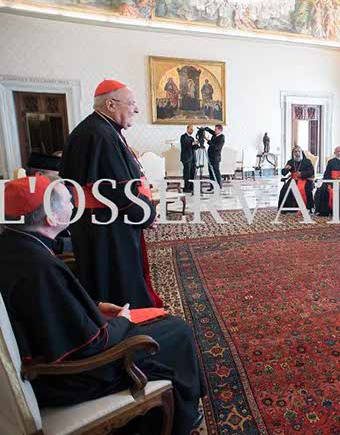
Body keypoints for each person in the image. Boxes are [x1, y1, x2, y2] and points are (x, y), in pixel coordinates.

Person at [0, 176, 203, 435]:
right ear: (50, 218)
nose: (74, 205)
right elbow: (90, 344)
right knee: (178, 331)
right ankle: (182, 420)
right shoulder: (39, 268)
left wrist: (95, 305)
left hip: (52, 355)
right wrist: (122, 321)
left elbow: (52, 306)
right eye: (68, 201)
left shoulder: (14, 245)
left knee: (167, 326)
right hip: (68, 377)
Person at [60, 79, 161, 308]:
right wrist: (146, 215)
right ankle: (124, 320)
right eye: (131, 103)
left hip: (100, 224)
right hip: (107, 227)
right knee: (117, 282)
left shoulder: (99, 129)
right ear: (111, 104)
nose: (136, 109)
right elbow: (117, 191)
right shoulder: (100, 135)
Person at [314, 146, 340, 216]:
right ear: (334, 153)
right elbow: (326, 175)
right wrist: (329, 183)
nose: (339, 153)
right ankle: (324, 211)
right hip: (330, 182)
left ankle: (338, 212)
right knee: (321, 190)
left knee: (339, 191)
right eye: (337, 152)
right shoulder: (331, 162)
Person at [278, 145, 315, 210]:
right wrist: (286, 169)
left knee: (306, 189)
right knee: (285, 189)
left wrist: (302, 174)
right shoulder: (290, 162)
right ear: (293, 153)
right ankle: (287, 208)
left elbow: (311, 172)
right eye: (295, 152)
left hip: (304, 179)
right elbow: (283, 173)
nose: (297, 153)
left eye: (299, 151)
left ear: (301, 152)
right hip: (293, 180)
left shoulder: (307, 161)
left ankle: (307, 207)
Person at [180, 124, 198, 194]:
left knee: (192, 173)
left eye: (192, 129)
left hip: (193, 158)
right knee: (187, 173)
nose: (192, 130)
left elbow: (194, 148)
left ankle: (191, 187)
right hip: (186, 158)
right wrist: (193, 144)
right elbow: (186, 145)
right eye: (191, 129)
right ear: (187, 129)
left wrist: (197, 144)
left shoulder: (192, 138)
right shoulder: (183, 137)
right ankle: (186, 188)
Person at [206, 124, 225, 188]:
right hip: (210, 157)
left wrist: (208, 141)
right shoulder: (215, 135)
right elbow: (212, 132)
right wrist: (207, 129)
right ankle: (212, 187)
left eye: (216, 129)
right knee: (211, 172)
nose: (214, 130)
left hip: (215, 158)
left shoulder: (221, 137)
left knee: (216, 172)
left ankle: (218, 186)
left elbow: (216, 147)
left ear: (220, 130)